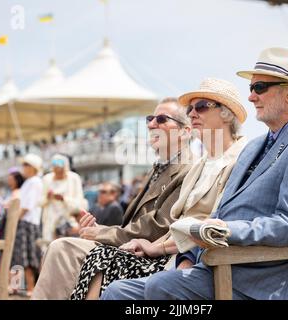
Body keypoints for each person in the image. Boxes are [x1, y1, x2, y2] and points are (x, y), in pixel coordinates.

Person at [101, 47, 288, 300]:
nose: (251, 97)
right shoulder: (255, 145)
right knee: (118, 292)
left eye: (259, 88)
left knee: (160, 287)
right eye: (251, 88)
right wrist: (189, 255)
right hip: (216, 267)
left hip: (258, 281)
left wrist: (226, 230)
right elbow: (220, 213)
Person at [71, 78, 248, 299]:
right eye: (190, 108)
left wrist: (159, 249)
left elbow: (214, 222)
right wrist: (151, 246)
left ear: (227, 114)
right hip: (174, 253)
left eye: (201, 106)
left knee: (98, 258)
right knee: (85, 256)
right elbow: (178, 222)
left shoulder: (241, 159)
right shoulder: (200, 166)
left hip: (202, 260)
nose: (192, 113)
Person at [31, 97, 193, 299]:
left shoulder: (187, 169)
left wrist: (102, 233)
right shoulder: (161, 167)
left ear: (185, 132)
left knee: (61, 249)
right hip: (134, 247)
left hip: (156, 256)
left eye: (161, 119)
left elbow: (158, 226)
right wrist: (98, 229)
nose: (151, 124)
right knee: (58, 249)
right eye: (150, 118)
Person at [11, 153, 43, 296]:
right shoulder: (29, 182)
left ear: (33, 167)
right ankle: (17, 286)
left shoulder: (35, 181)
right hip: (24, 222)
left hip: (28, 224)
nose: (23, 167)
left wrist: (13, 221)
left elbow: (26, 206)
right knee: (18, 256)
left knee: (28, 258)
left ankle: (31, 289)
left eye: (26, 164)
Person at [40, 154, 86, 245]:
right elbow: (39, 202)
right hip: (50, 224)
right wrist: (48, 197)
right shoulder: (47, 179)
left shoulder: (74, 178)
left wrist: (63, 199)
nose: (57, 170)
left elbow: (79, 204)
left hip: (70, 223)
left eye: (60, 168)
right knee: (50, 250)